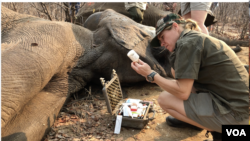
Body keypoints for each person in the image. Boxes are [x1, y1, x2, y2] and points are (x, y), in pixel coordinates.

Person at [131, 13, 249, 141]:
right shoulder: (194, 38)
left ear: (175, 26)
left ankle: (219, 132)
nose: (162, 43)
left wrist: (151, 75)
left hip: (236, 118)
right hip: (238, 107)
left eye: (162, 37)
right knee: (176, 74)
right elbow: (178, 76)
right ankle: (216, 128)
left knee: (164, 99)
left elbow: (182, 93)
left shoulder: (187, 43)